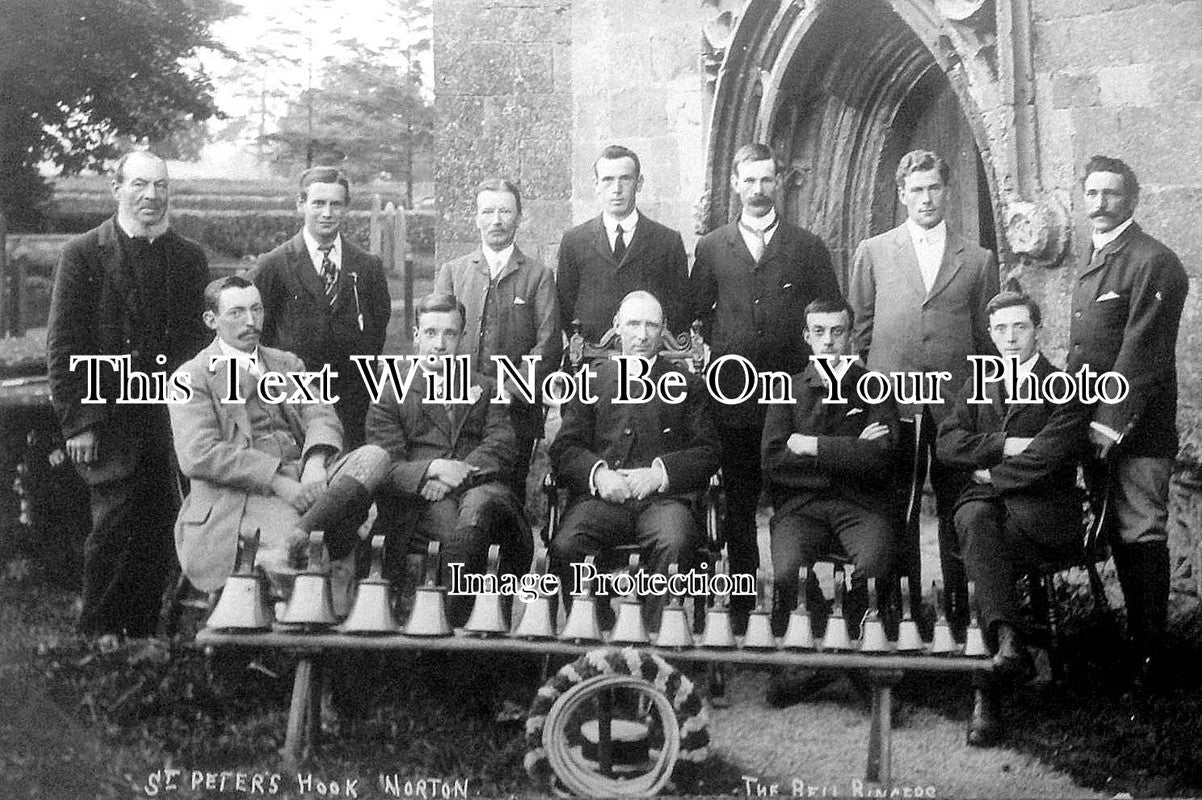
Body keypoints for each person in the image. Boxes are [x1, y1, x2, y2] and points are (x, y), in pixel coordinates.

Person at [47, 151, 210, 640]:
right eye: (139, 184)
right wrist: (79, 423)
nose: (151, 196)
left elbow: (197, 347)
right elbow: (65, 344)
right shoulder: (83, 254)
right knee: (113, 526)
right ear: (116, 190)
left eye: (160, 186)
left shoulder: (188, 258)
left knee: (160, 524)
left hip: (167, 421)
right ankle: (97, 633)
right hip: (108, 419)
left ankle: (139, 633)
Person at [169, 276, 389, 611]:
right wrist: (279, 482)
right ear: (211, 320)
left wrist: (315, 462)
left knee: (374, 457)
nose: (250, 321)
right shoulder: (192, 377)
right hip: (244, 495)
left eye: (256, 309)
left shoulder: (286, 363)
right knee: (333, 535)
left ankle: (299, 535)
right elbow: (199, 455)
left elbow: (321, 413)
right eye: (237, 313)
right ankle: (322, 598)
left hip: (309, 480)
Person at [847, 148, 1000, 630]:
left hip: (955, 406)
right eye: (916, 189)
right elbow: (862, 329)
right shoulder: (874, 251)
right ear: (901, 195)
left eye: (934, 188)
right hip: (894, 402)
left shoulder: (976, 259)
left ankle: (961, 610)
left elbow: (985, 341)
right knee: (897, 507)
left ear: (947, 192)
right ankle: (899, 610)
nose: (926, 198)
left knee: (959, 502)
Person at [691, 142, 841, 627]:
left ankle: (794, 602)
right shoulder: (712, 247)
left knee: (792, 499)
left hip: (791, 401)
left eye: (766, 180)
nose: (758, 189)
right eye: (749, 180)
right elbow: (695, 320)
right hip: (732, 399)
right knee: (737, 502)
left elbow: (831, 318)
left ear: (779, 183)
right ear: (735, 183)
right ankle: (740, 606)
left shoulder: (807, 247)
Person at [937, 291, 1091, 744]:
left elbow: (1051, 456)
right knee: (978, 527)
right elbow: (947, 445)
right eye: (1000, 329)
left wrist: (989, 470)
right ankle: (1008, 643)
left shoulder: (1064, 387)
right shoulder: (979, 384)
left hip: (1041, 515)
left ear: (1037, 330)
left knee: (980, 542)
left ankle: (990, 692)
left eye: (1019, 327)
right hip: (987, 511)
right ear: (990, 334)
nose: (1009, 338)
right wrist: (1005, 445)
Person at [1066, 155, 1189, 682]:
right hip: (1096, 424)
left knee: (1142, 531)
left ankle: (1149, 656)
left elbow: (1143, 353)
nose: (1099, 204)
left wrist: (1108, 424)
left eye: (1111, 194)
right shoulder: (1097, 256)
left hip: (1135, 428)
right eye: (1091, 193)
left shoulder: (1152, 261)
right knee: (1117, 530)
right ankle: (1135, 643)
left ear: (1132, 200)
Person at [549, 291, 720, 631]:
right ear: (617, 327)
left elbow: (708, 452)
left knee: (675, 541)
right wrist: (598, 475)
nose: (642, 335)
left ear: (663, 330)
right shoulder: (591, 381)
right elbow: (564, 448)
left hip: (664, 502)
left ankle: (654, 643)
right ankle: (595, 636)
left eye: (651, 325)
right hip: (602, 501)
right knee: (567, 545)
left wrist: (660, 474)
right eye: (633, 324)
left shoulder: (688, 384)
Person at [366, 293, 531, 628]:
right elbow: (385, 464)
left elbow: (502, 445)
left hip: (481, 486)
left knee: (481, 510)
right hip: (421, 499)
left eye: (449, 334)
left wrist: (455, 474)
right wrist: (431, 469)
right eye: (430, 333)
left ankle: (465, 630)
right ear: (415, 336)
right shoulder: (389, 391)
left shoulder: (485, 387)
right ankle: (457, 634)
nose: (439, 345)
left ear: (462, 338)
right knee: (460, 534)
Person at [762, 297, 899, 638]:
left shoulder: (875, 389)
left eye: (837, 332)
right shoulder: (786, 389)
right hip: (800, 507)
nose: (828, 341)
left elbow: (881, 460)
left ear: (851, 335)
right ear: (806, 336)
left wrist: (812, 446)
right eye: (819, 332)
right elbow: (774, 462)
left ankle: (854, 631)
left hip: (860, 505)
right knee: (786, 571)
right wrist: (852, 451)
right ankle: (818, 622)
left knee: (873, 564)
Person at [433, 178, 560, 504]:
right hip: (459, 406)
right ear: (476, 218)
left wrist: (508, 390)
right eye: (487, 212)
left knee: (505, 494)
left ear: (519, 217)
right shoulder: (454, 271)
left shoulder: (538, 275)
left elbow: (547, 345)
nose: (496, 220)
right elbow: (437, 335)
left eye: (505, 211)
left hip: (515, 411)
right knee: (454, 488)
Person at [250, 167, 391, 449]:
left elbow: (378, 326)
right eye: (318, 203)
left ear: (346, 208)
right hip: (295, 402)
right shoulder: (273, 266)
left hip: (353, 402)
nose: (327, 213)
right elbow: (257, 334)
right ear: (301, 204)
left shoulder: (367, 266)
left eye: (335, 204)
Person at [556, 145, 691, 341]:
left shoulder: (667, 242)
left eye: (625, 179)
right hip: (591, 358)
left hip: (648, 357)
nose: (616, 189)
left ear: (639, 183)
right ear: (596, 185)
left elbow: (680, 310)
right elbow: (565, 305)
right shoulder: (574, 241)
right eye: (607, 180)